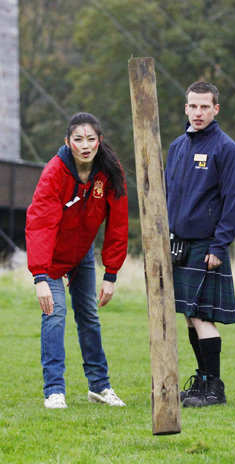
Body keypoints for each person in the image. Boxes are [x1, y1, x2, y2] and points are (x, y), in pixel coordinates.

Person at [26, 112, 129, 409]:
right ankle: (54, 390)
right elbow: (39, 225)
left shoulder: (110, 171)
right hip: (52, 258)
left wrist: (111, 273)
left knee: (89, 316)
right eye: (78, 140)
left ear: (100, 140)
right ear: (68, 142)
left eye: (91, 139)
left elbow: (118, 223)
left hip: (82, 254)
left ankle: (100, 387)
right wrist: (40, 277)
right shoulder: (54, 172)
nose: (85, 145)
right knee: (55, 315)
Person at [165, 81, 235, 407]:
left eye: (204, 107)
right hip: (180, 242)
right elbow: (170, 194)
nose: (198, 112)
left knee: (201, 316)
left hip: (206, 244)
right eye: (192, 106)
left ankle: (215, 388)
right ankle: (201, 380)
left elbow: (233, 201)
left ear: (216, 109)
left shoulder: (226, 149)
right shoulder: (177, 147)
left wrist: (218, 246)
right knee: (188, 315)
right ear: (185, 108)